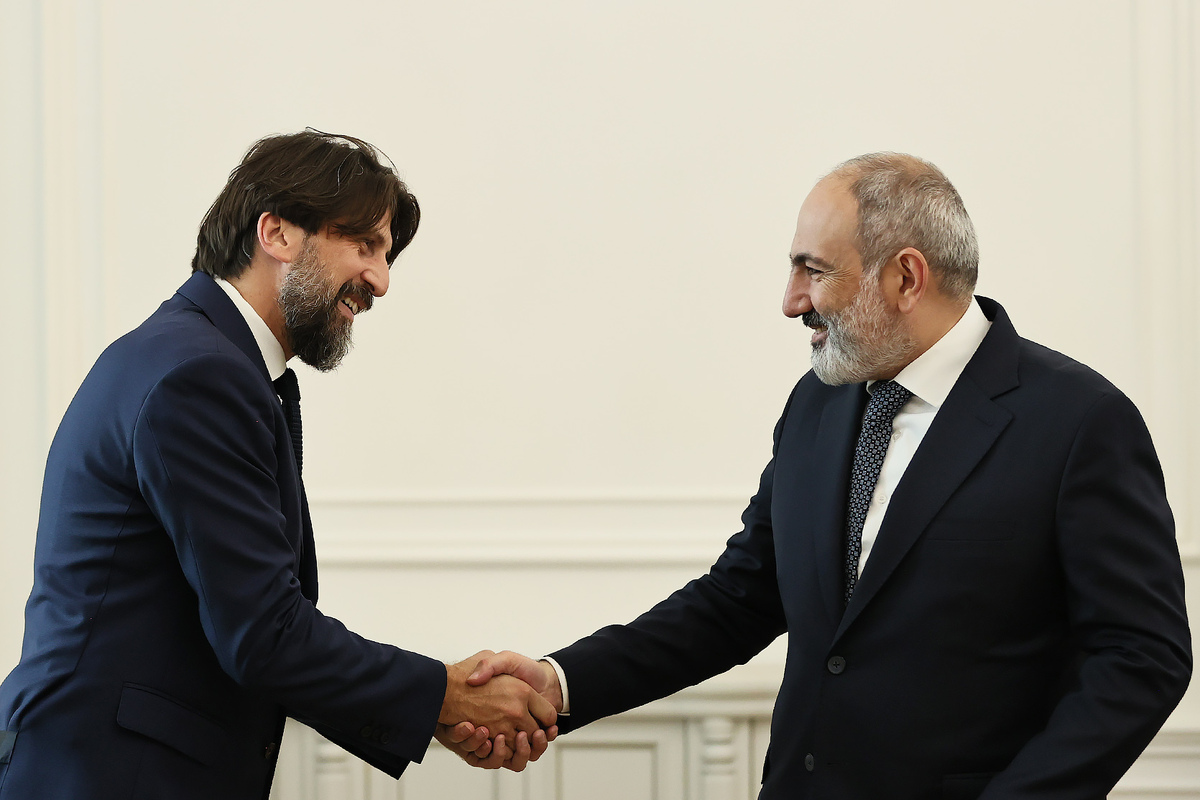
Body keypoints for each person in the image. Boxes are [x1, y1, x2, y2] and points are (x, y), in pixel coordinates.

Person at [460, 153, 1192, 798]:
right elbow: (739, 599)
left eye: (814, 270)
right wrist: (560, 682)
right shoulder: (818, 401)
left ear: (906, 277)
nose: (791, 301)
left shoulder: (1079, 421)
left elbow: (1141, 658)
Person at [0, 130, 554, 800]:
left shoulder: (195, 358)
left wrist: (433, 708)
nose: (380, 280)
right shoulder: (200, 374)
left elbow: (253, 635)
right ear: (277, 233)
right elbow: (263, 635)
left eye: (386, 255)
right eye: (364, 244)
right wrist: (446, 696)